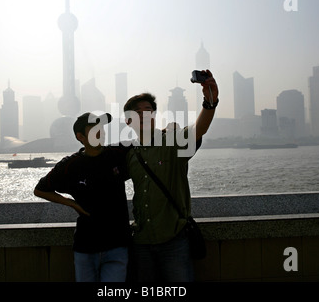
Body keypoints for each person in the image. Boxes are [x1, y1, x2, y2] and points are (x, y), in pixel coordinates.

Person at [123, 69, 219, 282]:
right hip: (141, 240)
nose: (143, 114)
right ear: (128, 121)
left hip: (174, 240)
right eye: (136, 112)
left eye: (148, 110)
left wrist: (210, 101)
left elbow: (198, 129)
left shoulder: (172, 141)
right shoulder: (128, 153)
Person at [34, 112, 131, 282]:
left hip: (118, 244)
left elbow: (148, 145)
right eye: (94, 129)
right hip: (86, 247)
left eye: (101, 127)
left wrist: (169, 131)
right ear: (80, 137)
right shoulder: (70, 165)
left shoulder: (118, 153)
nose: (100, 131)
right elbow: (40, 189)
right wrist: (71, 203)